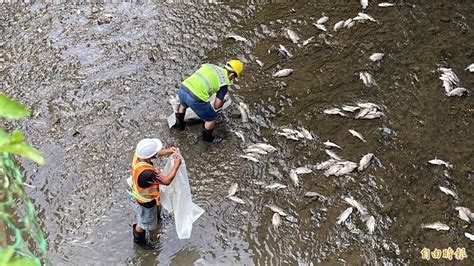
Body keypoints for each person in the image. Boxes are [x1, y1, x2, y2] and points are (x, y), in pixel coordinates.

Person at [172, 59, 244, 143]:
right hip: (195, 98)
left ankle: (179, 126)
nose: (232, 79)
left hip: (183, 88)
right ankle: (207, 138)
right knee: (212, 118)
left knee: (183, 105)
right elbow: (216, 106)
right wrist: (223, 101)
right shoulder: (224, 83)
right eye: (234, 78)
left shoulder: (211, 66)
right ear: (232, 75)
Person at [128, 138, 181, 250]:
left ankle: (156, 218)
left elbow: (154, 154)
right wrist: (176, 165)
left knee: (153, 214)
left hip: (141, 193)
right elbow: (166, 181)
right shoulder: (146, 174)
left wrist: (167, 151)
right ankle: (139, 240)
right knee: (144, 222)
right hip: (145, 202)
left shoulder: (138, 156)